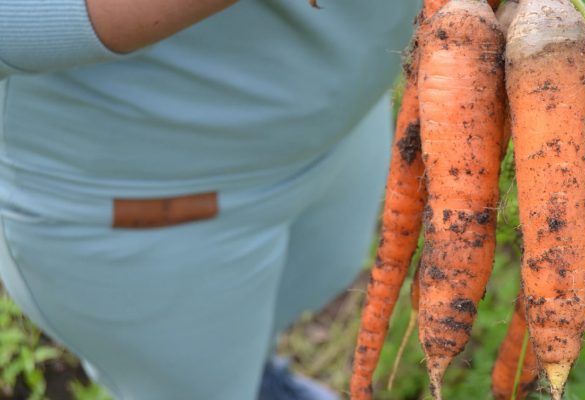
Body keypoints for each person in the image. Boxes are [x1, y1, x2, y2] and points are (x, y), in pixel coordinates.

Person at [0, 0, 418, 398]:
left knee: (311, 282)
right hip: (145, 193)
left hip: (339, 123)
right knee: (192, 382)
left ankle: (258, 375)